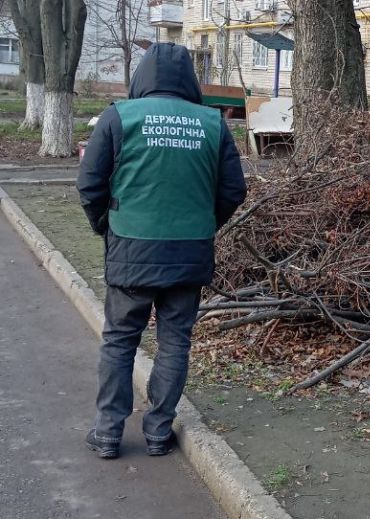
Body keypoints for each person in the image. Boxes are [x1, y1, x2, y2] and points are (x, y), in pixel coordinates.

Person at [77, 43, 246, 459]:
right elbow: (232, 191)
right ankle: (157, 432)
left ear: (143, 76)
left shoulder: (119, 117)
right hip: (189, 253)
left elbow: (90, 186)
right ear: (189, 79)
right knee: (174, 343)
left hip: (130, 249)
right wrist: (204, 226)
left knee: (119, 341)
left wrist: (109, 227)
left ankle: (107, 433)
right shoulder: (212, 123)